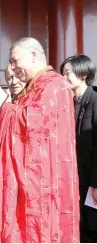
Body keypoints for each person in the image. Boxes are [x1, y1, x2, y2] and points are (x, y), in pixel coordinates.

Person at [0, 37, 80, 243]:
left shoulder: (55, 86)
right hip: (32, 180)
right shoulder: (36, 86)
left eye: (14, 60)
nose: (11, 67)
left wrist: (5, 107)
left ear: (34, 55)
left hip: (44, 185)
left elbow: (32, 125)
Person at [60, 54, 97, 243]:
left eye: (68, 73)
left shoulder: (95, 100)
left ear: (83, 74)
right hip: (75, 179)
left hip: (92, 178)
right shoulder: (67, 102)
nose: (64, 78)